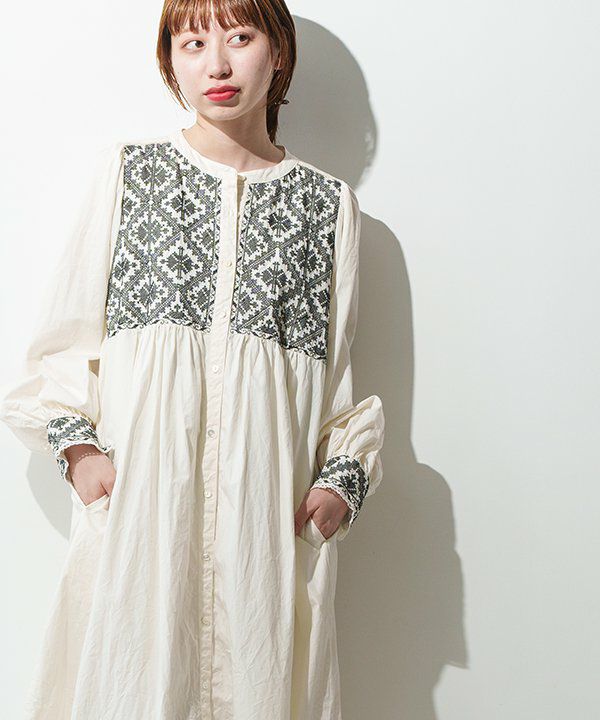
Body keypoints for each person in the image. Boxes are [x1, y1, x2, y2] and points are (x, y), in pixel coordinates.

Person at [0, 1, 385, 718]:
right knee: (131, 682)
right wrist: (82, 457)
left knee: (257, 682)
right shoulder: (130, 174)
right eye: (193, 42)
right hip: (142, 517)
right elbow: (60, 345)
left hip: (265, 529)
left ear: (278, 53)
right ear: (169, 59)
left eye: (240, 37)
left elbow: (334, 378)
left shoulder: (328, 207)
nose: (218, 64)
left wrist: (338, 484)